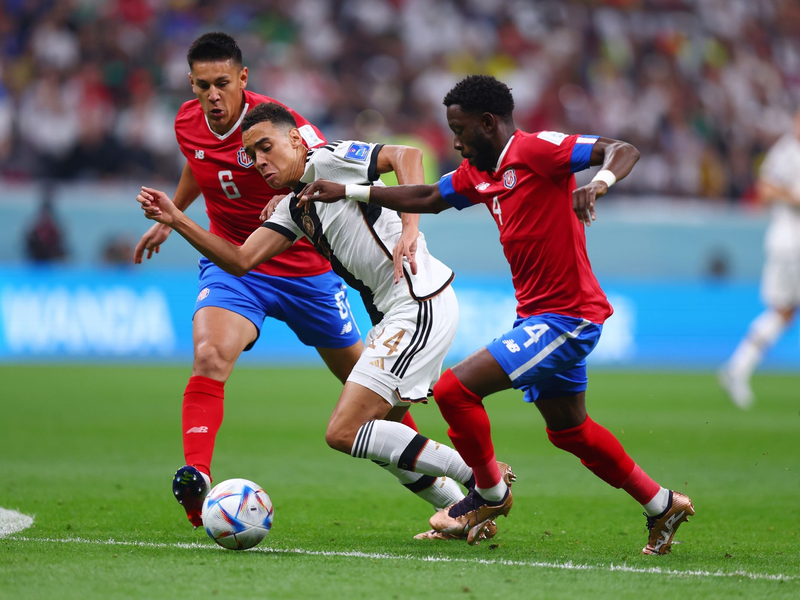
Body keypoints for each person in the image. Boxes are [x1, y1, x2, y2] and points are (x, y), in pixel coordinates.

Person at [300, 75, 695, 554]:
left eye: (460, 130)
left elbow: (622, 148)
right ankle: (662, 504)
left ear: (489, 123)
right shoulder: (481, 174)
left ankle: (488, 494)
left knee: (454, 390)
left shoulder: (538, 150)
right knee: (571, 431)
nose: (455, 142)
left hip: (567, 318)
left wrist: (600, 183)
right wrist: (351, 194)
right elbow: (428, 197)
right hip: (537, 318)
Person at [137, 101, 515, 541]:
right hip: (398, 314)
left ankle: (484, 481)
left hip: (418, 302)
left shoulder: (328, 159)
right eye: (252, 156)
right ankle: (469, 502)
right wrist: (179, 219)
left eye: (267, 147)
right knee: (377, 432)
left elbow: (405, 155)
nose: (260, 162)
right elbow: (240, 260)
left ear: (296, 140)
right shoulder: (295, 208)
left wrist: (410, 227)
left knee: (344, 430)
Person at [132, 33, 419, 529]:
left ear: (243, 79)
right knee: (209, 355)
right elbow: (198, 163)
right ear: (191, 84)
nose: (213, 96)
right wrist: (173, 214)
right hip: (232, 264)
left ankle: (441, 485)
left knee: (374, 396)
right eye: (203, 86)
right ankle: (197, 476)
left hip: (306, 269)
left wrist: (292, 196)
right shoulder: (186, 121)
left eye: (223, 83)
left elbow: (320, 165)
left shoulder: (282, 125)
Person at [719, 109, 800, 409]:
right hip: (791, 246)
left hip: (790, 244)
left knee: (783, 313)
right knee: (782, 312)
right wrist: (794, 197)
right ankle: (737, 368)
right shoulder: (787, 151)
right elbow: (765, 190)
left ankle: (738, 367)